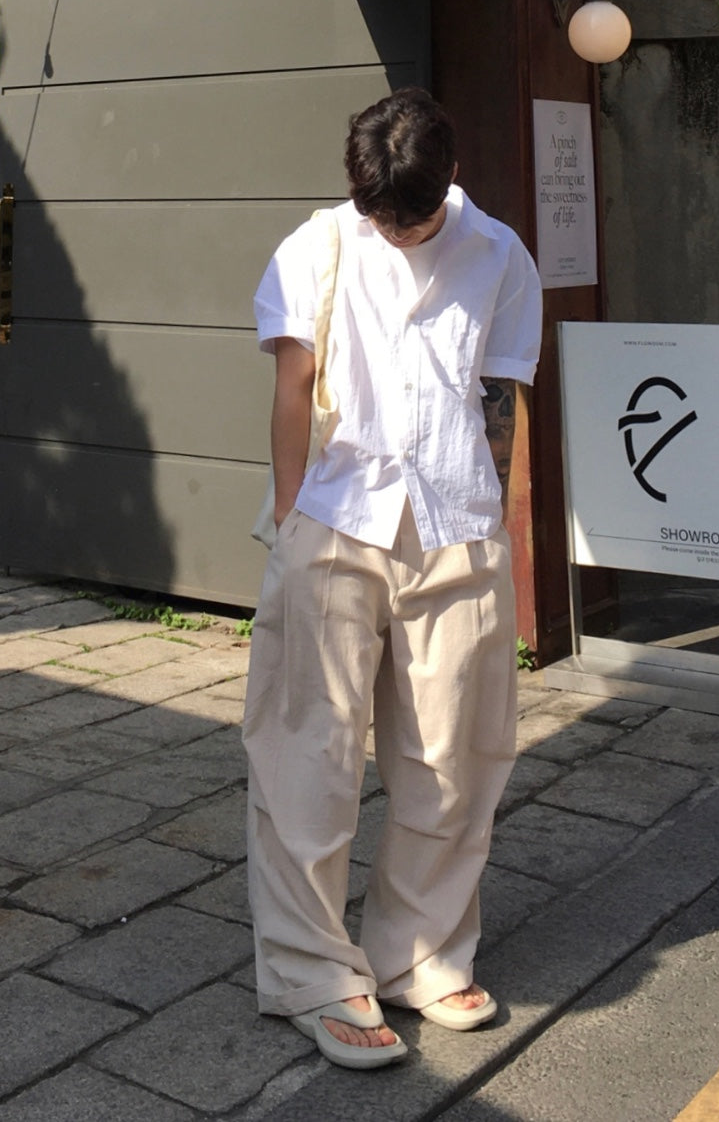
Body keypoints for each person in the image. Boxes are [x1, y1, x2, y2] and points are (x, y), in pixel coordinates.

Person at [243, 86, 543, 1069]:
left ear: (450, 176)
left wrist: (497, 525)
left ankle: (420, 953)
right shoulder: (316, 247)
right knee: (305, 756)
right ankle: (310, 972)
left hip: (456, 524)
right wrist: (293, 513)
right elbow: (292, 386)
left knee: (458, 754)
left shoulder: (498, 254)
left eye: (411, 216)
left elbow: (499, 396)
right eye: (381, 214)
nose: (397, 231)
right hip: (335, 518)